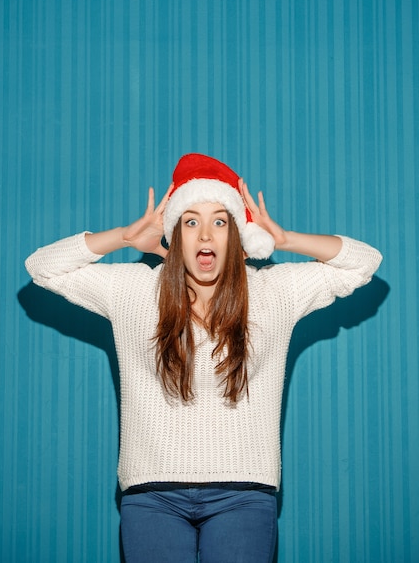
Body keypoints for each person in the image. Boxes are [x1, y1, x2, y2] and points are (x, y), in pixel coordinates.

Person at [25, 153, 382, 563]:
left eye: (220, 220)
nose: (206, 235)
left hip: (244, 496)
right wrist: (124, 236)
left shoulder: (272, 293)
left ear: (237, 233)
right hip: (151, 495)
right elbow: (42, 267)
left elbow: (363, 262)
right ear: (175, 233)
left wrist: (285, 240)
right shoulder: (134, 291)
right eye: (191, 221)